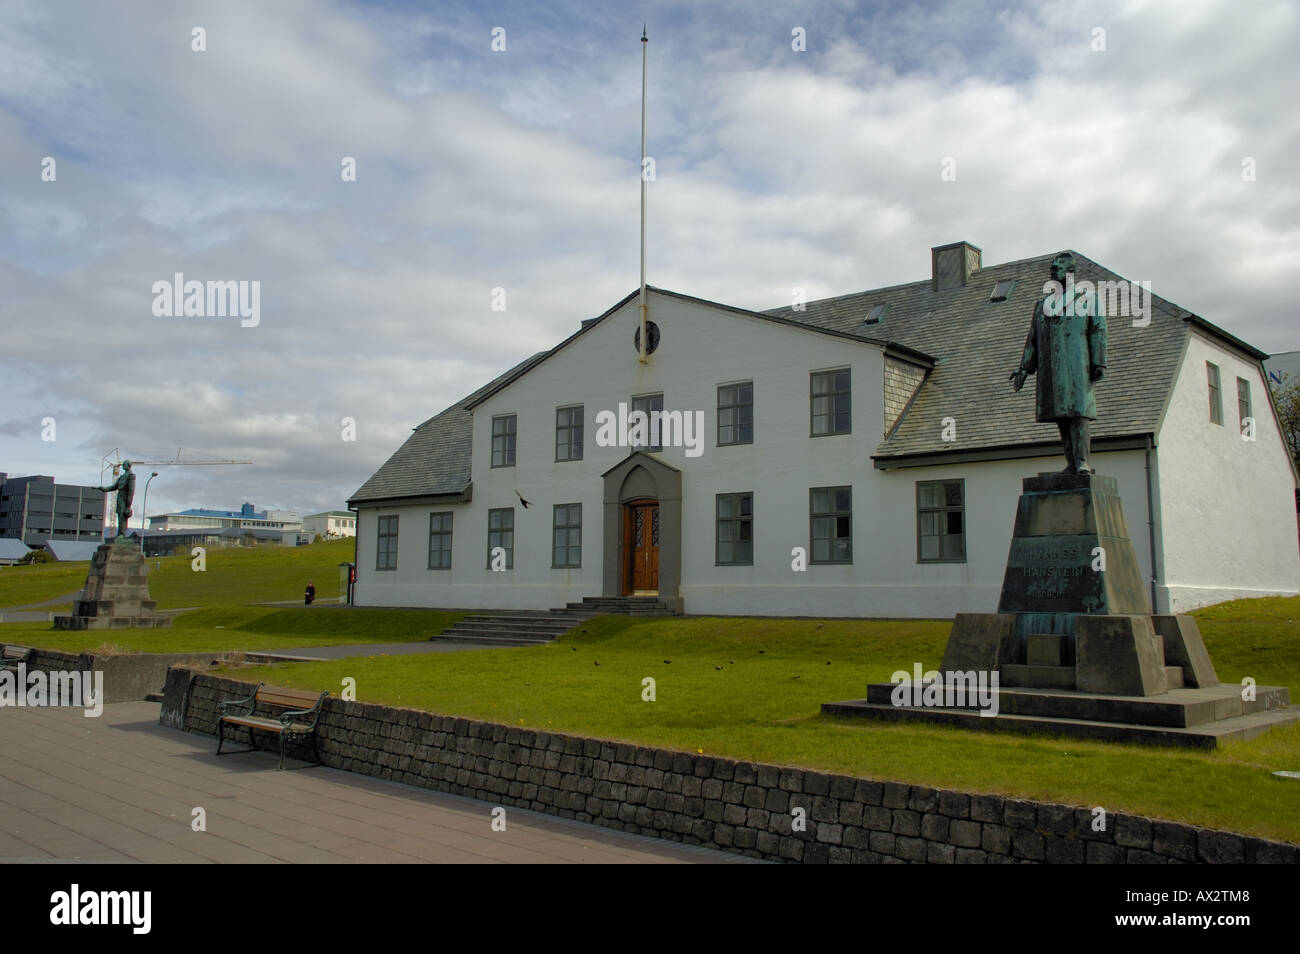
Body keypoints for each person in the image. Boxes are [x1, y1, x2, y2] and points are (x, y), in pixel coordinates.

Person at [1010, 252, 1107, 474]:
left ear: (1070, 272)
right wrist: (1025, 367)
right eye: (1052, 270)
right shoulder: (1042, 304)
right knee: (1060, 415)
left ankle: (1082, 461)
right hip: (1050, 367)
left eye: (1057, 269)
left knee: (1078, 413)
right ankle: (1071, 462)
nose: (1053, 273)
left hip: (1077, 363)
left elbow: (1098, 330)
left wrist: (1099, 362)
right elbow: (1032, 339)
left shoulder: (1088, 298)